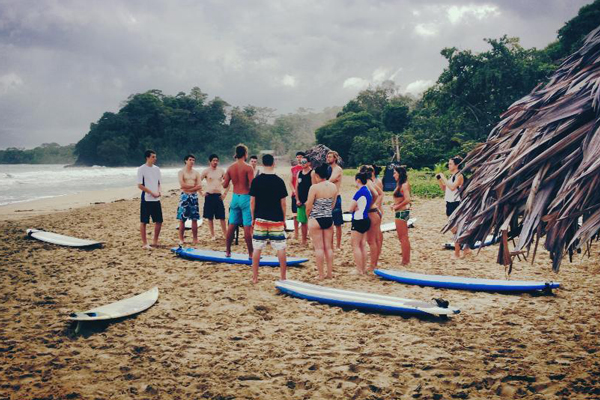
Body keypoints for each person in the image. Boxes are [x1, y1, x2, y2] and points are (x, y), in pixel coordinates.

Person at [249, 154, 288, 284]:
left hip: (260, 218)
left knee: (257, 248)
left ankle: (255, 277)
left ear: (262, 164)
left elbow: (252, 202)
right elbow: (283, 204)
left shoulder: (256, 181)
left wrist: (253, 218)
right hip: (276, 218)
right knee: (280, 248)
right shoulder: (279, 181)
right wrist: (283, 219)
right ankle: (283, 277)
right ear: (273, 164)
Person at [305, 164, 338, 280]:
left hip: (316, 218)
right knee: (328, 248)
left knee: (319, 248)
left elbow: (309, 206)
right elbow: (333, 204)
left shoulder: (314, 187)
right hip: (328, 218)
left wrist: (308, 216)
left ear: (317, 175)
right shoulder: (333, 187)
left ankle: (320, 275)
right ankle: (329, 274)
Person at [223, 144, 255, 258]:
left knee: (231, 225)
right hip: (245, 197)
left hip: (235, 197)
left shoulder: (230, 168)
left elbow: (225, 184)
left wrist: (224, 180)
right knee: (247, 226)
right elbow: (252, 186)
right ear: (245, 154)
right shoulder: (248, 167)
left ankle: (227, 251)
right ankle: (251, 253)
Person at [437, 156, 469, 259]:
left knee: (456, 228)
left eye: (450, 164)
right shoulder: (452, 176)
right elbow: (444, 188)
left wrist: (443, 177)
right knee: (454, 228)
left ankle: (457, 253)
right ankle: (466, 248)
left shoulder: (459, 176)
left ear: (457, 165)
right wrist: (439, 180)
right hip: (449, 203)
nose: (449, 165)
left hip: (456, 203)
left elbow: (452, 187)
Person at [137, 150, 163, 249]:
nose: (155, 158)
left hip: (156, 199)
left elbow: (159, 183)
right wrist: (152, 192)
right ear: (147, 157)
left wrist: (159, 192)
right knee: (144, 221)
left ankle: (155, 241)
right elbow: (140, 185)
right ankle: (145, 243)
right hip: (146, 198)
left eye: (155, 157)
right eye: (153, 157)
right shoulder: (141, 169)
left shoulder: (157, 169)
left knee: (159, 221)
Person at [200, 154, 229, 240]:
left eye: (217, 160)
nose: (215, 162)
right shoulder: (206, 171)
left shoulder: (221, 171)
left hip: (218, 196)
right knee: (210, 217)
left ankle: (225, 234)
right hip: (209, 195)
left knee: (222, 217)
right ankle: (213, 235)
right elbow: (198, 182)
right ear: (210, 161)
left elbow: (228, 183)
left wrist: (224, 194)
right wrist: (201, 193)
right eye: (213, 160)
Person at [349, 172, 373, 274]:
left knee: (356, 245)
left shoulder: (359, 192)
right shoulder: (368, 191)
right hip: (366, 219)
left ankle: (359, 270)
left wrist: (354, 208)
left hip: (358, 219)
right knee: (363, 245)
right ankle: (363, 268)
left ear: (358, 180)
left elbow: (350, 209)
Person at [360, 165, 383, 271]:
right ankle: (375, 262)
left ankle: (373, 265)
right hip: (375, 212)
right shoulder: (371, 182)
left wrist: (370, 205)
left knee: (371, 241)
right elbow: (379, 193)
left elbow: (376, 195)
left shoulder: (367, 184)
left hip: (371, 212)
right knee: (376, 239)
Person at [177, 154, 203, 245]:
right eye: (190, 159)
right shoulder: (181, 172)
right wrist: (194, 187)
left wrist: (191, 189)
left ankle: (195, 239)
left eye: (193, 160)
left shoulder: (196, 173)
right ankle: (181, 239)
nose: (192, 161)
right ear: (186, 161)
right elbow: (182, 185)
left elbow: (200, 185)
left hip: (193, 196)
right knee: (182, 218)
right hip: (184, 196)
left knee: (194, 218)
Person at [391, 166, 411, 265]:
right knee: (402, 237)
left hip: (401, 212)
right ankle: (405, 259)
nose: (393, 175)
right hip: (401, 211)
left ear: (400, 174)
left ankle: (405, 260)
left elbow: (407, 199)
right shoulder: (400, 184)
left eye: (395, 173)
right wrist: (394, 204)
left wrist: (397, 206)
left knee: (403, 237)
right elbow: (402, 199)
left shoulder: (403, 185)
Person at [326, 151, 344, 249]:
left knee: (337, 223)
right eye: (327, 157)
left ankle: (338, 244)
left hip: (336, 197)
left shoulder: (337, 169)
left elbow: (329, 180)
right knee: (329, 222)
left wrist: (324, 181)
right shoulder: (328, 169)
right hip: (327, 196)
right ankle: (330, 244)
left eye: (330, 157)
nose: (328, 158)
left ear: (335, 158)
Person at [295, 156, 313, 245]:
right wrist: (297, 199)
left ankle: (312, 239)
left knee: (311, 221)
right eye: (301, 162)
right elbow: (296, 187)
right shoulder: (299, 173)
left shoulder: (312, 173)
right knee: (302, 222)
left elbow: (314, 188)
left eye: (304, 162)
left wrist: (310, 201)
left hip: (310, 201)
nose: (303, 164)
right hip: (301, 201)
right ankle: (304, 240)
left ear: (309, 163)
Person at [290, 151, 305, 240]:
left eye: (301, 157)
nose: (299, 158)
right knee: (295, 215)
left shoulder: (307, 168)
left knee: (305, 215)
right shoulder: (294, 169)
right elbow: (290, 182)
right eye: (297, 157)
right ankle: (296, 233)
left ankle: (305, 234)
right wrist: (294, 191)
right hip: (294, 194)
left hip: (303, 194)